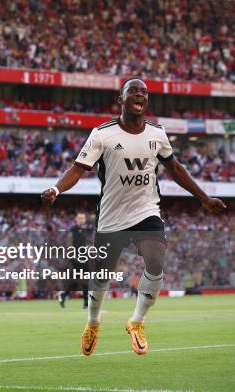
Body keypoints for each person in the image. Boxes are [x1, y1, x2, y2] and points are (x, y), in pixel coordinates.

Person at [41, 77, 226, 357]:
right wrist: (56, 188)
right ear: (121, 99)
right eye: (134, 91)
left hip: (146, 210)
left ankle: (137, 322)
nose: (140, 95)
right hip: (112, 216)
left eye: (144, 92)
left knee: (156, 261)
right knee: (101, 276)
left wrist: (203, 198)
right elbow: (78, 169)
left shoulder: (157, 134)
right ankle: (92, 323)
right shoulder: (102, 134)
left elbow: (175, 169)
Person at [57, 212, 91, 309]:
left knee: (82, 282)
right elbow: (69, 244)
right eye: (79, 218)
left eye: (83, 218)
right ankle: (64, 296)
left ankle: (85, 303)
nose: (81, 220)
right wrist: (74, 256)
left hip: (84, 259)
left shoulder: (85, 231)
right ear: (76, 219)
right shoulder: (73, 230)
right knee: (76, 282)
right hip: (76, 259)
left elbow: (85, 244)